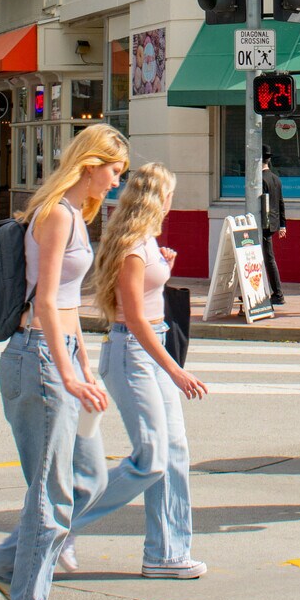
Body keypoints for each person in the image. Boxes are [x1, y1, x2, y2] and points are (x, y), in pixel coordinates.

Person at [0, 123, 127, 600]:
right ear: (90, 165)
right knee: (52, 491)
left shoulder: (77, 217)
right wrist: (67, 372)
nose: (115, 182)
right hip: (38, 357)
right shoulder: (56, 214)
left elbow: (68, 304)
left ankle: (3, 562)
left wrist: (84, 365)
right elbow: (43, 301)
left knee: (90, 480)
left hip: (58, 353)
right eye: (113, 171)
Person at [70, 163, 209, 576]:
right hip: (135, 354)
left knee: (174, 453)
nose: (173, 203)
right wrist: (176, 371)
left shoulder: (145, 241)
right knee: (151, 458)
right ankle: (59, 523)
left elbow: (145, 297)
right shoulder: (132, 245)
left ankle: (168, 553)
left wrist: (162, 264)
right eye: (170, 195)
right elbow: (132, 318)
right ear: (158, 198)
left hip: (151, 348)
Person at [259, 152, 286, 306]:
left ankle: (278, 293)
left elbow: (262, 205)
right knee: (265, 257)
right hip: (273, 223)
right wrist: (283, 224)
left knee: (268, 258)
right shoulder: (276, 179)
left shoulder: (261, 180)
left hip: (264, 224)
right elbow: (281, 202)